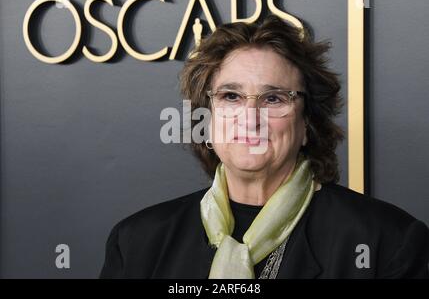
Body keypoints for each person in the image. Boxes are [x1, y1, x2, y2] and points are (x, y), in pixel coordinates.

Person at [100, 15, 429, 279]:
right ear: (207, 118)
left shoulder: (388, 242)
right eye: (231, 96)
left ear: (307, 124)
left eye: (273, 98)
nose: (250, 117)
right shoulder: (137, 243)